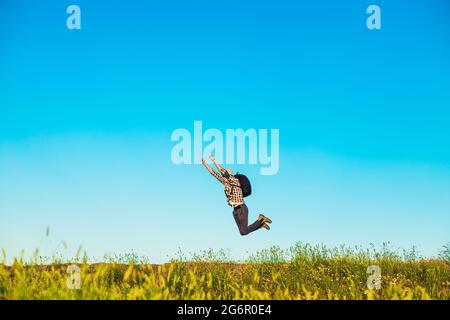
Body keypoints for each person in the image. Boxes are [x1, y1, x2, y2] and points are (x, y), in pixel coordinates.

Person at [201, 154, 272, 236]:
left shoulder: (234, 181)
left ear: (229, 176)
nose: (222, 177)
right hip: (235, 211)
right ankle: (260, 223)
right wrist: (205, 163)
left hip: (242, 209)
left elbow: (221, 170)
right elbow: (213, 173)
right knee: (243, 232)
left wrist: (214, 160)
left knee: (244, 231)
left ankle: (261, 220)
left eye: (225, 175)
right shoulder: (225, 183)